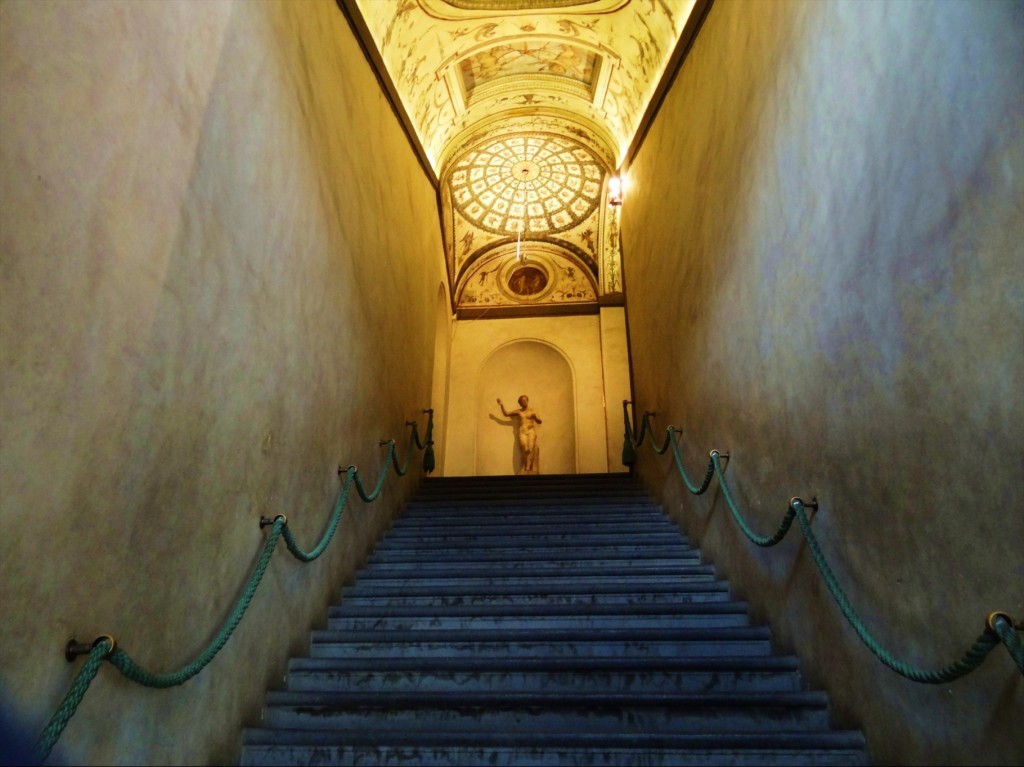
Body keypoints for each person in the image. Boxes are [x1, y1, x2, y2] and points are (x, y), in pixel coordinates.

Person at [497, 395, 542, 474]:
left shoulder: (532, 411)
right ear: (520, 403)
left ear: (528, 401)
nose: (524, 402)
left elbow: (539, 421)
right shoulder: (519, 411)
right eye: (522, 401)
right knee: (525, 448)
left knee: (531, 448)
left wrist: (535, 418)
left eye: (525, 400)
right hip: (522, 431)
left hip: (531, 430)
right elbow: (506, 414)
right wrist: (501, 404)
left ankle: (528, 468)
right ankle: (525, 466)